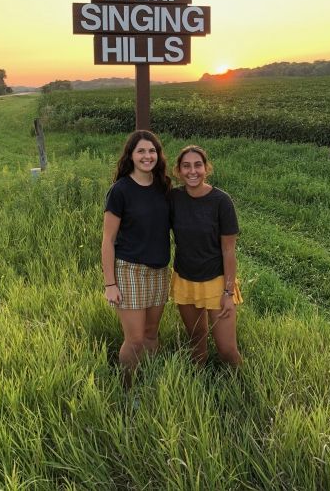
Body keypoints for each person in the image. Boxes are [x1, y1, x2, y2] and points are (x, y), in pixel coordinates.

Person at [102, 130, 171, 383]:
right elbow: (108, 240)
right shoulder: (120, 191)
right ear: (130, 155)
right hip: (130, 270)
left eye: (152, 150)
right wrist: (110, 284)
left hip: (160, 270)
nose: (147, 155)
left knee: (152, 334)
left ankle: (149, 380)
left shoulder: (163, 185)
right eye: (141, 151)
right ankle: (128, 388)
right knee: (135, 339)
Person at [170, 145, 243, 367]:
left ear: (206, 168)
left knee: (227, 350)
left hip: (217, 281)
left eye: (198, 165)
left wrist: (228, 292)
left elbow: (228, 250)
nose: (192, 171)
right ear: (179, 171)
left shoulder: (221, 201)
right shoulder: (173, 198)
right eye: (186, 166)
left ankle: (242, 388)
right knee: (196, 343)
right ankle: (198, 387)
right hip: (185, 279)